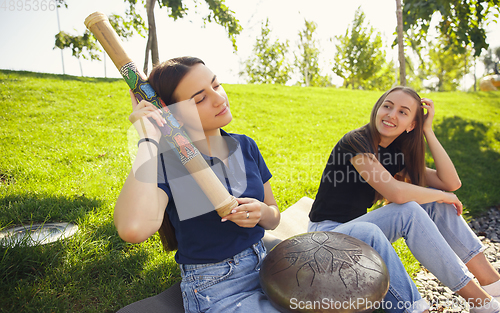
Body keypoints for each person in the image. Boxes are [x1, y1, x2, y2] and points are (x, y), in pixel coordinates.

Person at [309, 86, 500, 313]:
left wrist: (428, 131)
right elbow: (396, 193)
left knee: (434, 204)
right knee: (410, 208)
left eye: (402, 112)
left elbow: (451, 183)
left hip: (357, 232)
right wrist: (442, 195)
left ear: (411, 125)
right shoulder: (356, 142)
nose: (391, 115)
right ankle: (481, 302)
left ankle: (492, 283)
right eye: (387, 106)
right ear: (377, 109)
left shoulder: (396, 152)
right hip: (327, 235)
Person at [113, 57, 282, 312]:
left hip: (267, 266)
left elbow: (274, 216)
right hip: (218, 286)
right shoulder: (168, 163)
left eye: (217, 85)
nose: (218, 98)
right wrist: (148, 139)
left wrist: (263, 212)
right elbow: (133, 229)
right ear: (172, 115)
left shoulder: (245, 145)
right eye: (199, 99)